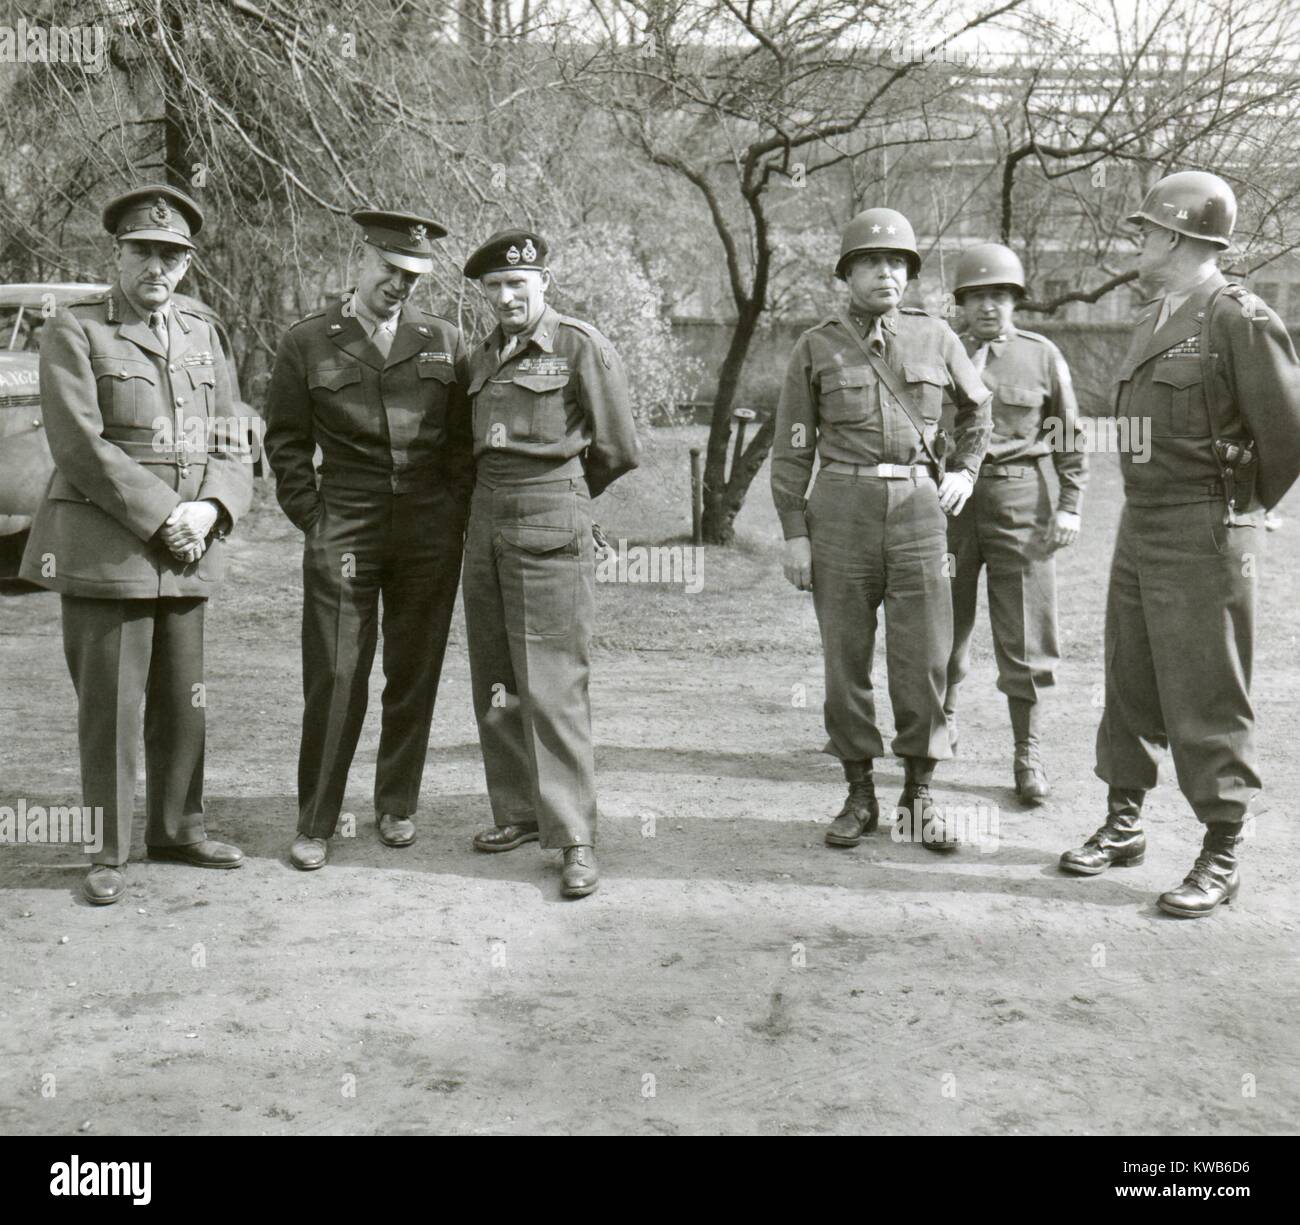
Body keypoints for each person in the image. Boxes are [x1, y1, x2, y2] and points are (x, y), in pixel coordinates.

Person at [1059, 170, 1300, 917]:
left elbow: (1286, 436)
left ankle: (1222, 850)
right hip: (1141, 520)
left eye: (1144, 231)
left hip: (1206, 525)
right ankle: (1124, 821)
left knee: (1207, 686)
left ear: (1175, 235)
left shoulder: (1239, 316)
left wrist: (1238, 509)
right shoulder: (1151, 316)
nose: (1136, 241)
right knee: (1129, 675)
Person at [20, 183, 253, 905]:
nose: (158, 268)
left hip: (189, 543)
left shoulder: (201, 330)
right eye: (144, 252)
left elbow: (233, 431)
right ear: (117, 253)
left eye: (172, 256)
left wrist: (213, 506)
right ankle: (108, 848)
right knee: (112, 704)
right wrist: (165, 514)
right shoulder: (77, 329)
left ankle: (179, 827)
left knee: (186, 699)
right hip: (110, 545)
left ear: (187, 264)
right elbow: (79, 447)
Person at [770, 208, 992, 853]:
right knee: (845, 659)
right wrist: (794, 532)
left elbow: (978, 412)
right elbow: (792, 448)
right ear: (848, 274)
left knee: (925, 658)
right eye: (872, 262)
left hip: (921, 511)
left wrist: (968, 472)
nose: (887, 273)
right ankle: (858, 791)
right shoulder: (817, 345)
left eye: (898, 263)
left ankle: (919, 796)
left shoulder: (937, 337)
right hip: (840, 507)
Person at [263, 210, 473, 871]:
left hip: (427, 531)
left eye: (412, 276)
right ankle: (317, 819)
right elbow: (286, 441)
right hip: (344, 523)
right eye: (389, 270)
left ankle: (396, 804)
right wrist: (313, 516)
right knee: (336, 672)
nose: (398, 285)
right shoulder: (308, 341)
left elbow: (464, 444)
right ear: (362, 260)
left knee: (413, 671)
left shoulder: (444, 340)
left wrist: (451, 515)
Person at [461, 228, 640, 897]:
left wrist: (563, 498)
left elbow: (618, 447)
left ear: (543, 285)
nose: (507, 297)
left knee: (555, 683)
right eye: (495, 287)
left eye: (518, 284)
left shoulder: (577, 345)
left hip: (551, 516)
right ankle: (517, 812)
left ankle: (573, 837)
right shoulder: (480, 355)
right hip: (485, 524)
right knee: (497, 677)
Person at [942, 243, 1088, 804]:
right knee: (941, 626)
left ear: (1015, 301)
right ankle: (940, 725)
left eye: (1000, 295)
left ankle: (1027, 754)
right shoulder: (938, 350)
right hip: (950, 504)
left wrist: (1070, 502)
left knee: (1026, 634)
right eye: (978, 296)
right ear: (962, 302)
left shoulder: (1042, 355)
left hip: (1020, 501)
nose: (989, 307)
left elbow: (1066, 435)